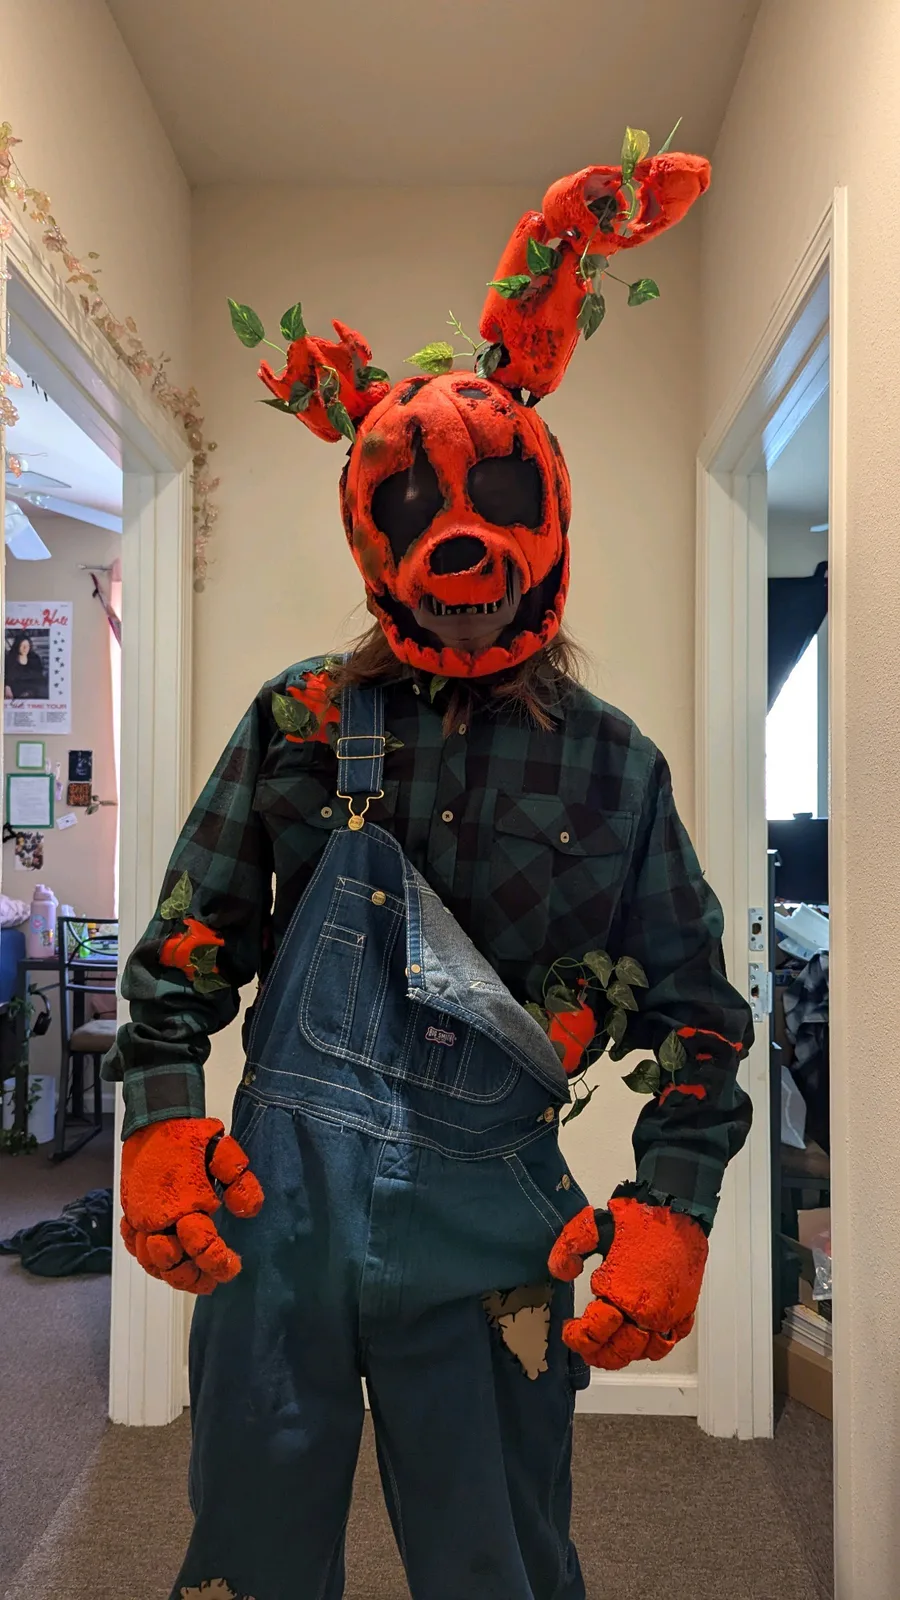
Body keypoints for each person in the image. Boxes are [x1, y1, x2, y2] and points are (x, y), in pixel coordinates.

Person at [103, 137, 754, 1600]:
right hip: (279, 1218)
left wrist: (673, 1205)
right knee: (250, 1549)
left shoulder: (616, 767)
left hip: (497, 1234)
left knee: (497, 1555)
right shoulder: (299, 720)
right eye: (413, 511)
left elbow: (697, 1013)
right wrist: (157, 1122)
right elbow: (186, 950)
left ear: (549, 514)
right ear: (370, 529)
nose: (459, 554)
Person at [4, 632, 48, 700]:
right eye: (22, 645)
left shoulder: (35, 659)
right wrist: (7, 687)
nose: (25, 648)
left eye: (27, 645)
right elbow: (5, 677)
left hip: (32, 690)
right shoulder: (9, 658)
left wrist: (30, 692)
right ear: (17, 645)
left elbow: (39, 678)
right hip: (14, 692)